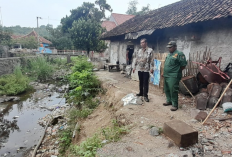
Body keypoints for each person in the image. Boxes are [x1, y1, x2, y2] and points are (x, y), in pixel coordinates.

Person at [163, 41, 187, 111]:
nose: (169, 49)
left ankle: (175, 105)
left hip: (173, 76)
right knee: (167, 89)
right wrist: (163, 73)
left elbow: (183, 65)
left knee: (173, 90)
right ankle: (169, 100)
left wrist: (176, 71)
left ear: (175, 47)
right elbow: (167, 64)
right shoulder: (169, 54)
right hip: (166, 75)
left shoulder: (179, 54)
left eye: (170, 47)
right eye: (168, 47)